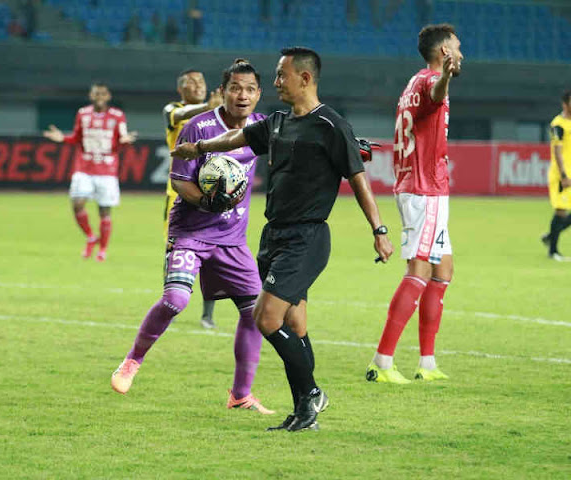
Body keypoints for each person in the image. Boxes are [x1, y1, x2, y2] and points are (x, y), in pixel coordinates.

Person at [172, 47, 394, 432]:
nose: (274, 83)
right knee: (296, 324)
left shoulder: (331, 125)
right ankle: (303, 412)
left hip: (307, 237)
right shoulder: (276, 121)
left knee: (265, 317)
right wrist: (201, 147)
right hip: (272, 234)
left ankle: (311, 394)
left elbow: (359, 180)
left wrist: (379, 230)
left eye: (281, 76)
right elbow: (238, 137)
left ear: (305, 79)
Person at [111, 59, 275, 415]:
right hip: (190, 232)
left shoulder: (262, 128)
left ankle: (240, 395)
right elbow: (179, 180)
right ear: (224, 91)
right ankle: (132, 361)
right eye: (235, 88)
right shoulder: (197, 127)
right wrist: (206, 202)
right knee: (175, 301)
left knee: (255, 315)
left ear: (258, 94)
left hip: (232, 240)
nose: (242, 95)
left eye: (249, 89)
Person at [366, 24, 463, 384]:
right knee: (419, 272)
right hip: (425, 189)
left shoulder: (412, 83)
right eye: (456, 48)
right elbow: (437, 93)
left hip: (419, 186)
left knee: (443, 270)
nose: (461, 54)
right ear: (443, 53)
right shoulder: (429, 82)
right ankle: (383, 361)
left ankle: (427, 362)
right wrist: (447, 77)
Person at [43, 82, 137, 262]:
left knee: (104, 211)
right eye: (96, 94)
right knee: (77, 203)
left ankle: (102, 249)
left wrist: (125, 140)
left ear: (108, 96)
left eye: (102, 94)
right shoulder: (83, 113)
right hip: (84, 167)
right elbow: (77, 138)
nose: (99, 97)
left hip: (107, 169)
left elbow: (122, 137)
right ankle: (91, 236)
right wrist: (62, 137)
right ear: (91, 96)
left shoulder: (117, 116)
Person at [163, 70, 223, 329]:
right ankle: (169, 304)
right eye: (191, 81)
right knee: (174, 252)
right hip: (177, 194)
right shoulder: (173, 109)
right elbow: (178, 115)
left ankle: (207, 314)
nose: (198, 84)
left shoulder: (218, 116)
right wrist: (208, 107)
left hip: (211, 191)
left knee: (215, 253)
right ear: (180, 89)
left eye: (201, 80)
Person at [541, 90, 571, 261]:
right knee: (560, 211)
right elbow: (558, 152)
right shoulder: (558, 124)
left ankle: (551, 235)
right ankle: (553, 251)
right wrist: (564, 175)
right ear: (565, 104)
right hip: (562, 175)